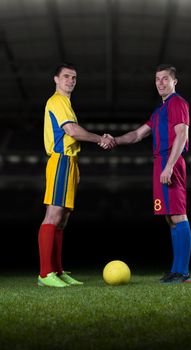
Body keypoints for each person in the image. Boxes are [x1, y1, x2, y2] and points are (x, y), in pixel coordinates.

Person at [101, 64, 191, 284]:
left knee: (179, 215)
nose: (160, 83)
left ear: (174, 82)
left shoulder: (177, 103)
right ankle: (176, 270)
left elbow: (182, 135)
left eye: (165, 79)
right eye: (157, 79)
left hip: (171, 161)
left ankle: (183, 272)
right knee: (170, 218)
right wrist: (115, 140)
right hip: (160, 162)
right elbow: (137, 134)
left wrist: (169, 166)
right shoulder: (159, 111)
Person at [38, 62, 115, 287]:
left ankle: (58, 271)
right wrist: (101, 138)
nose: (71, 80)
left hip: (71, 163)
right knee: (53, 216)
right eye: (66, 77)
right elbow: (71, 131)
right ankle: (44, 274)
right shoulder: (57, 101)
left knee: (62, 220)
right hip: (60, 160)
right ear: (56, 79)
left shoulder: (67, 103)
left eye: (74, 77)